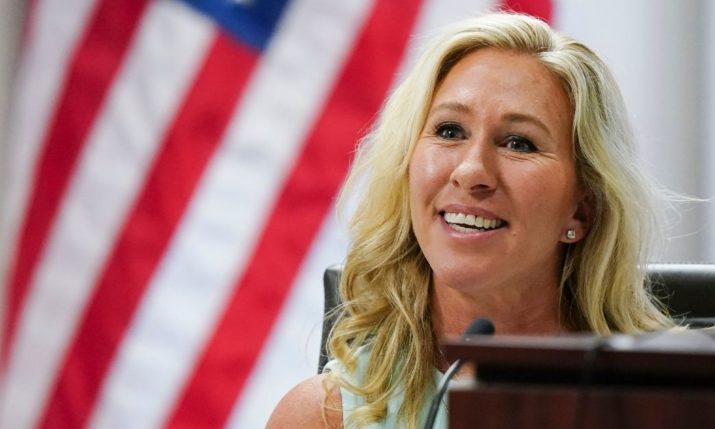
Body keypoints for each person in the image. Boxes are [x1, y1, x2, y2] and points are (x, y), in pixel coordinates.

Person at [267, 12, 674, 429]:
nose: (471, 171)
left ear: (581, 211)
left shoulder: (673, 405)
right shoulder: (322, 417)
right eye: (448, 131)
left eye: (519, 143)